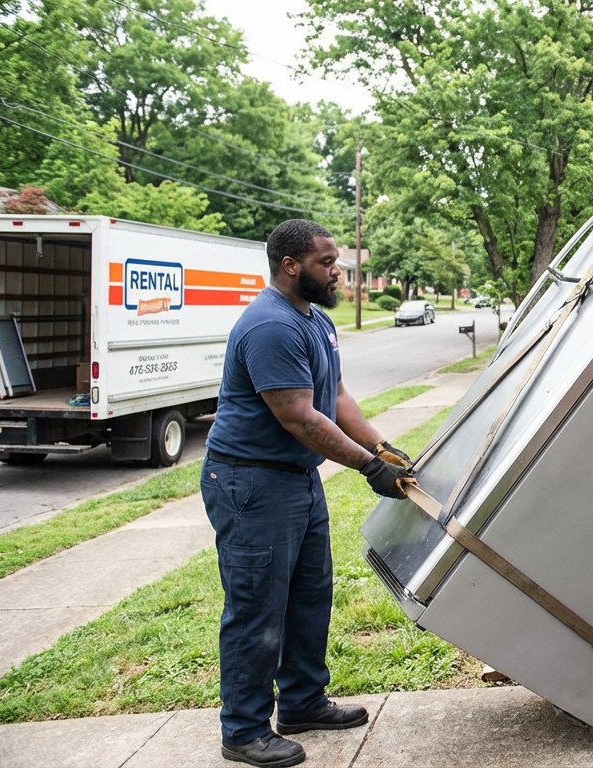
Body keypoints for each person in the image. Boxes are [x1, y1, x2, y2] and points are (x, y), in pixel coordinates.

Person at [202, 219, 413, 768]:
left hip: (295, 479)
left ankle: (301, 702)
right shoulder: (270, 326)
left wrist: (382, 446)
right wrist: (369, 468)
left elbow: (335, 395)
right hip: (251, 482)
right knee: (257, 608)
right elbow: (299, 417)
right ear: (290, 265)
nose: (337, 269)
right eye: (326, 261)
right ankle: (244, 729)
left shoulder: (314, 320)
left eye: (335, 259)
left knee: (309, 595)